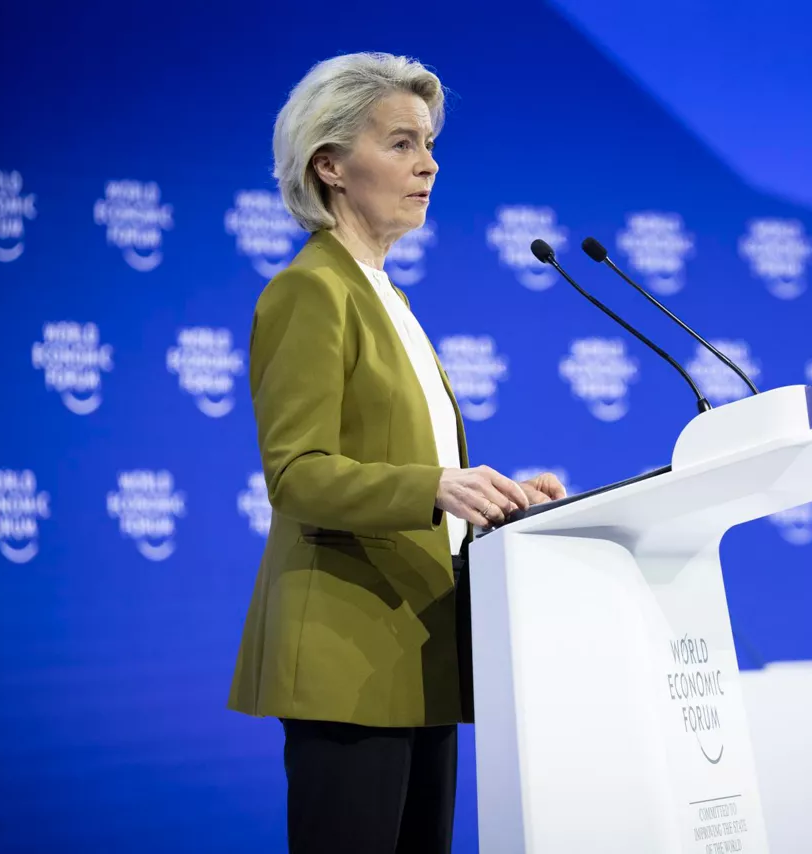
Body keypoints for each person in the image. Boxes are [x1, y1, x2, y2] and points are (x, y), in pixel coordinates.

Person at [227, 52, 566, 854]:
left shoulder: (389, 298)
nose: (429, 165)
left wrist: (497, 499)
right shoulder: (311, 290)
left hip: (421, 652)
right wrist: (435, 486)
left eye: (430, 145)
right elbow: (297, 474)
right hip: (348, 661)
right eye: (402, 143)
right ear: (330, 165)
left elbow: (411, 466)